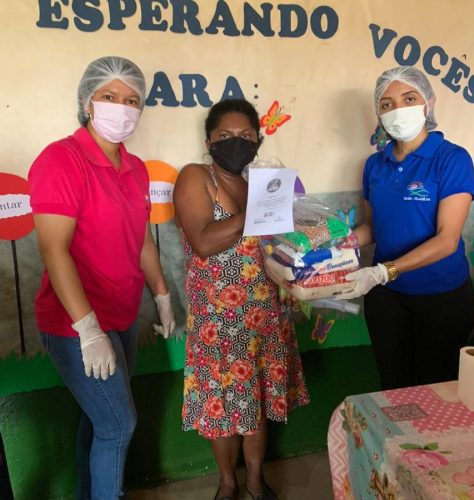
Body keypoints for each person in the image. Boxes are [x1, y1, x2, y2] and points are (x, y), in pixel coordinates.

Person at [28, 56, 175, 500]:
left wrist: (163, 296)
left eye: (132, 100)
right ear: (87, 102)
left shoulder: (135, 168)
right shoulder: (61, 159)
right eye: (109, 97)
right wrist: (87, 329)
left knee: (100, 422)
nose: (122, 108)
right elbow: (54, 249)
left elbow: (142, 241)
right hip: (75, 324)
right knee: (118, 425)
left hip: (122, 316)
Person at [174, 99, 309, 500]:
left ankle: (254, 481)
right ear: (208, 141)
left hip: (264, 315)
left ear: (258, 140)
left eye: (246, 136)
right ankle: (227, 483)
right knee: (221, 407)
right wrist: (260, 209)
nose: (236, 143)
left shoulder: (260, 184)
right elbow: (203, 241)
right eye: (226, 137)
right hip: (218, 321)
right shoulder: (195, 177)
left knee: (257, 404)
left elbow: (277, 245)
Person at [337, 66, 474, 390]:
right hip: (386, 299)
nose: (397, 110)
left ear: (428, 102)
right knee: (394, 386)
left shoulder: (451, 159)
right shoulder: (374, 164)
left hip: (441, 297)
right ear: (379, 113)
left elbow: (447, 239)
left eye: (408, 98)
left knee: (437, 388)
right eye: (387, 104)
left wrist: (384, 270)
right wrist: (334, 248)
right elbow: (372, 228)